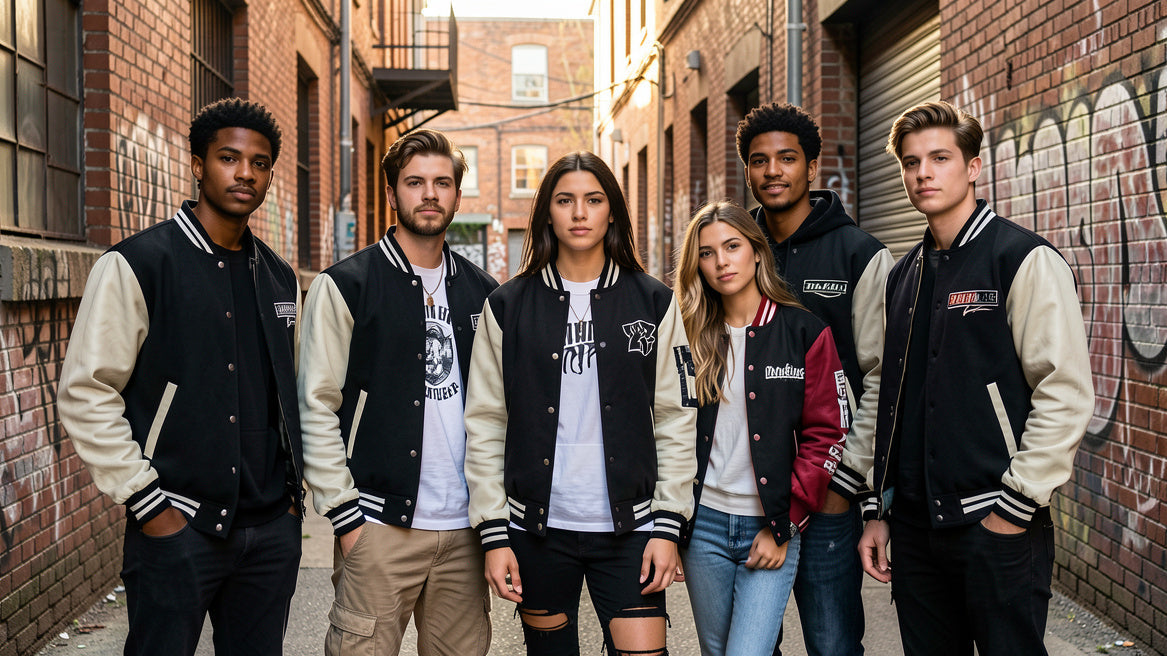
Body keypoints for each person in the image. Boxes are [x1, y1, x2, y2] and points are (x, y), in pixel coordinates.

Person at [57, 98, 303, 655]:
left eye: (260, 163)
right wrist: (147, 504)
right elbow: (86, 391)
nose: (245, 173)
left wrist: (291, 503)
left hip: (269, 531)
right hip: (177, 524)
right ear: (198, 164)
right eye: (229, 158)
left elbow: (286, 395)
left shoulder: (280, 278)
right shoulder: (138, 264)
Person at [858, 100, 1094, 655]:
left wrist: (1015, 507)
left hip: (997, 520)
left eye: (940, 157)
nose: (924, 173)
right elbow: (892, 399)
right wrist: (879, 510)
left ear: (973, 166)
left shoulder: (1021, 259)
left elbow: (1064, 392)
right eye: (911, 162)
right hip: (915, 530)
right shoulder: (903, 275)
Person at [463, 151, 697, 656]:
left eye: (593, 200)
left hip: (632, 527)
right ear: (547, 211)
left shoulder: (654, 302)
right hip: (538, 529)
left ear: (612, 210)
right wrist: (493, 533)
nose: (579, 213)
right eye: (564, 200)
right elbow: (484, 424)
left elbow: (677, 418)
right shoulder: (506, 306)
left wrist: (669, 525)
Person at [298, 128, 498, 655]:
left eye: (442, 182)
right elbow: (315, 405)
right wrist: (345, 518)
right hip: (378, 525)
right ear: (392, 194)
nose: (429, 194)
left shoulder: (486, 294)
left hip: (465, 532)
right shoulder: (345, 286)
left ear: (457, 193)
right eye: (415, 182)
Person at [736, 102, 892, 656]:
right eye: (759, 161)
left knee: (833, 643)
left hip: (827, 495)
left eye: (786, 158)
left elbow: (881, 379)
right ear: (748, 171)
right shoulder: (736, 253)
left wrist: (846, 481)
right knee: (754, 644)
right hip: (749, 494)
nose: (773, 171)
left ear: (810, 166)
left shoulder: (860, 255)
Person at [673, 200, 848, 656]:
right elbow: (665, 429)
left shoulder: (804, 331)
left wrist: (786, 523)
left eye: (732, 246)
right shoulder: (687, 335)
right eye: (706, 253)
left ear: (756, 251)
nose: (721, 262)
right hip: (703, 525)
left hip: (769, 524)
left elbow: (826, 435)